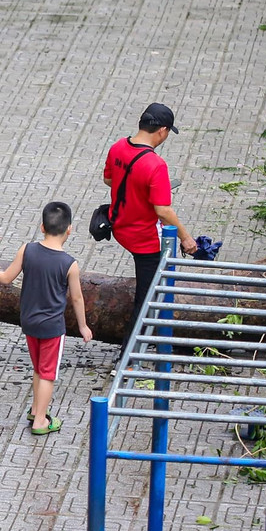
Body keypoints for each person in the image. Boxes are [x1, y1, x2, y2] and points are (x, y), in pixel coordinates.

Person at [0, 202, 93, 434]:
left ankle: (36, 409)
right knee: (48, 373)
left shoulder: (27, 250)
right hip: (52, 327)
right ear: (69, 230)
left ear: (42, 227)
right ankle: (40, 422)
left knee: (38, 368)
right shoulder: (69, 264)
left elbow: (6, 277)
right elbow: (76, 298)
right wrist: (83, 326)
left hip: (29, 321)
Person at [103, 103, 197, 354]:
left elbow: (109, 179)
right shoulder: (156, 165)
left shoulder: (117, 147)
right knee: (148, 297)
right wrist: (186, 238)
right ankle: (129, 356)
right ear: (163, 131)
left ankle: (158, 337)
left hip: (120, 226)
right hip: (144, 238)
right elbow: (163, 210)